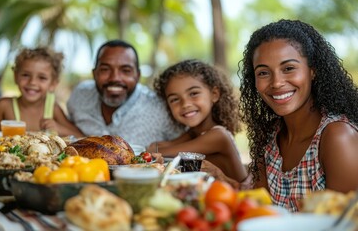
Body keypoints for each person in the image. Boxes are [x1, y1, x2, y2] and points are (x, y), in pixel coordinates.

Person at [238, 19, 358, 212]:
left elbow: (347, 224)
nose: (276, 83)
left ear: (312, 71)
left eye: (288, 68)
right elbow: (259, 214)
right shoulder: (269, 138)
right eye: (263, 73)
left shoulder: (337, 137)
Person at [146, 59, 250, 187]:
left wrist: (155, 151)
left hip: (239, 199)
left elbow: (164, 151)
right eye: (175, 99)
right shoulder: (193, 133)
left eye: (193, 93)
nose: (185, 104)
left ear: (214, 94)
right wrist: (156, 150)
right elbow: (160, 147)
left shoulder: (219, 135)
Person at [67, 40, 182, 147]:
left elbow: (189, 139)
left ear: (137, 76)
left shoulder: (160, 108)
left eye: (126, 70)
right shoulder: (80, 96)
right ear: (94, 74)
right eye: (105, 69)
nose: (115, 78)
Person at [0, 47, 83, 137]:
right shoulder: (4, 106)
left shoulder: (53, 109)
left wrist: (58, 128)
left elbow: (80, 136)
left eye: (42, 78)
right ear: (15, 77)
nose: (32, 82)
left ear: (53, 84)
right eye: (26, 75)